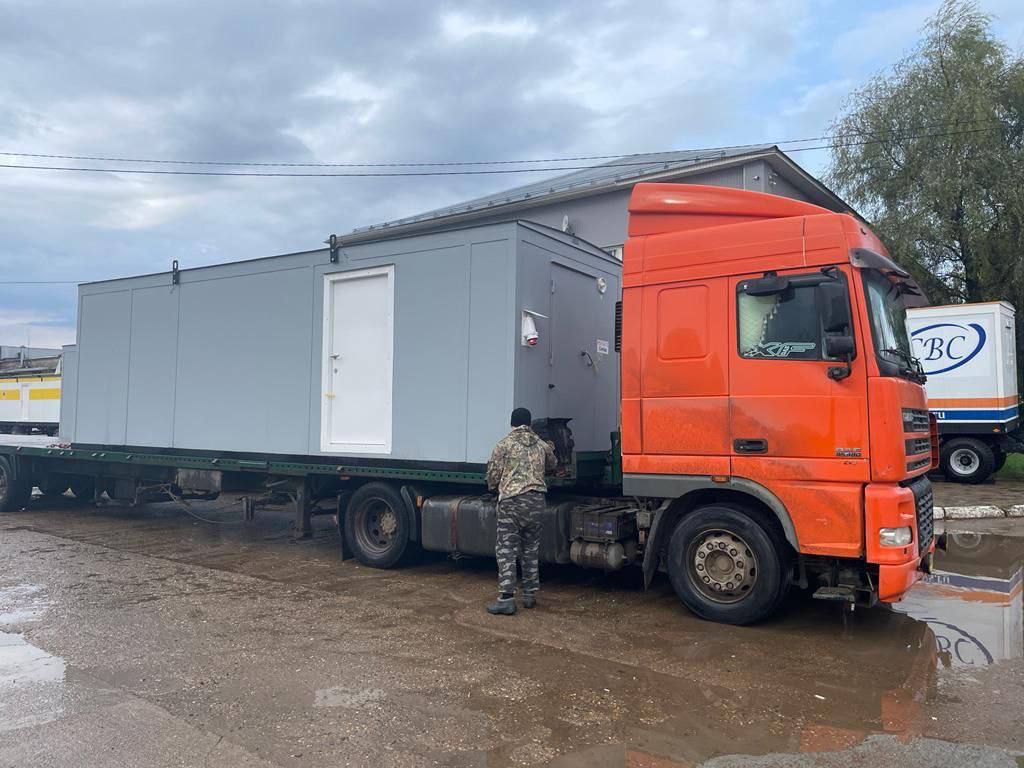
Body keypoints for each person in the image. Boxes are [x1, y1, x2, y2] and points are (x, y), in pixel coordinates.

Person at [485, 407, 557, 615]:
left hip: (512, 502)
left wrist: (495, 487)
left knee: (506, 549)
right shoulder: (542, 445)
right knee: (530, 549)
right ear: (529, 423)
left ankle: (506, 599)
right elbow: (553, 464)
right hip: (537, 501)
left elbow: (493, 477)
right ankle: (529, 595)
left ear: (512, 424)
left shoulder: (503, 445)